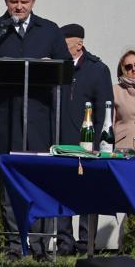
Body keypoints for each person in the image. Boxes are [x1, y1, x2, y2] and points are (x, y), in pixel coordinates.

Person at [0, 0, 70, 259]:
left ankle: (40, 245)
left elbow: (67, 69)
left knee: (41, 182)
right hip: (5, 118)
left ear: (34, 1)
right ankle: (15, 244)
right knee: (10, 185)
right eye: (14, 1)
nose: (19, 7)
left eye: (24, 2)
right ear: (5, 0)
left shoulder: (49, 30)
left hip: (41, 121)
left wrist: (51, 68)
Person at [55, 23, 113, 255]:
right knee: (61, 194)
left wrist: (99, 145)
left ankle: (85, 243)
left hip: (88, 145)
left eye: (64, 44)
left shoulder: (97, 69)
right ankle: (64, 243)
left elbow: (104, 109)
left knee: (88, 194)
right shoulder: (57, 67)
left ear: (79, 44)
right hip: (60, 144)